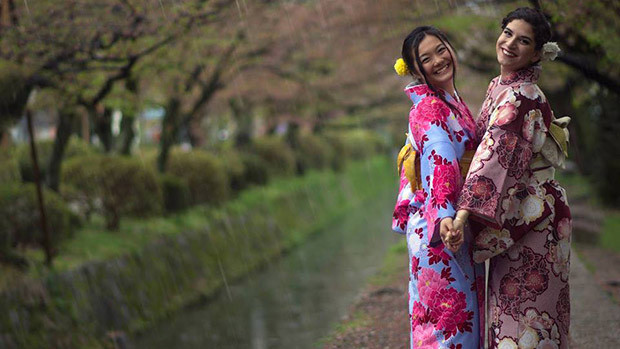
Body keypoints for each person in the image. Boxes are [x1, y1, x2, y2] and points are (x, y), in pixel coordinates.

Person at [451, 7, 571, 349]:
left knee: (526, 320)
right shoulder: (502, 86)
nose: (510, 44)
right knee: (521, 316)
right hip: (526, 210)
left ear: (536, 53)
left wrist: (462, 216)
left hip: (534, 215)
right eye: (508, 34)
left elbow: (495, 159)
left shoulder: (520, 96)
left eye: (524, 41)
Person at [391, 26, 484, 349]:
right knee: (452, 330)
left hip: (444, 222)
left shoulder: (449, 101)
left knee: (445, 328)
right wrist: (445, 214)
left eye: (441, 50)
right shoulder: (430, 108)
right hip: (440, 227)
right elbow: (440, 158)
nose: (438, 60)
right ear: (416, 70)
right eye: (426, 59)